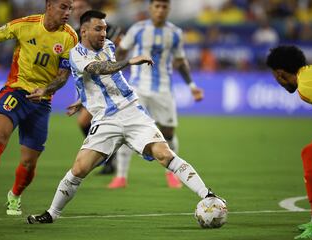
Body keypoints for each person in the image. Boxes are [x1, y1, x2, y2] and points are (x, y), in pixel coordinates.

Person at [26, 10, 222, 224]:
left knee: (165, 154)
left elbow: (105, 79)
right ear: (84, 31)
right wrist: (129, 61)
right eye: (98, 29)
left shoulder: (108, 46)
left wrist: (83, 99)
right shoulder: (76, 55)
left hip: (132, 111)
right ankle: (52, 214)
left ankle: (208, 195)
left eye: (105, 28)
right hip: (105, 120)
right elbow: (98, 69)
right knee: (79, 168)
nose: (104, 33)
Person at [0, 0, 77, 215]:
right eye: (63, 7)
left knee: (28, 164)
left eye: (70, 8)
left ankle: (14, 195)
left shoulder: (70, 37)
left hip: (42, 102)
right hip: (16, 91)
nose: (68, 12)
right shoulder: (25, 24)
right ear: (49, 5)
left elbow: (63, 77)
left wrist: (45, 90)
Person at [107, 0, 204, 189]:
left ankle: (171, 173)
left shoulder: (175, 33)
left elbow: (180, 61)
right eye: (157, 6)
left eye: (164, 7)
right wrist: (111, 74)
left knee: (168, 132)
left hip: (163, 89)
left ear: (169, 9)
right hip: (137, 88)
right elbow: (121, 52)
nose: (160, 10)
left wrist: (192, 85)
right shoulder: (138, 29)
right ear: (150, 8)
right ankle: (120, 176)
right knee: (128, 130)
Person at [266, 45, 312, 239]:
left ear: (281, 73)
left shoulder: (306, 88)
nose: (277, 81)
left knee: (311, 153)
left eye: (275, 76)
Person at [68, 0, 123, 175]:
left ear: (88, 10)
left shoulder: (108, 29)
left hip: (113, 83)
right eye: (73, 8)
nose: (77, 11)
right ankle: (109, 158)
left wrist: (118, 61)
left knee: (87, 121)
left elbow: (121, 47)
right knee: (86, 122)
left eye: (80, 8)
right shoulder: (76, 35)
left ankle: (108, 158)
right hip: (94, 86)